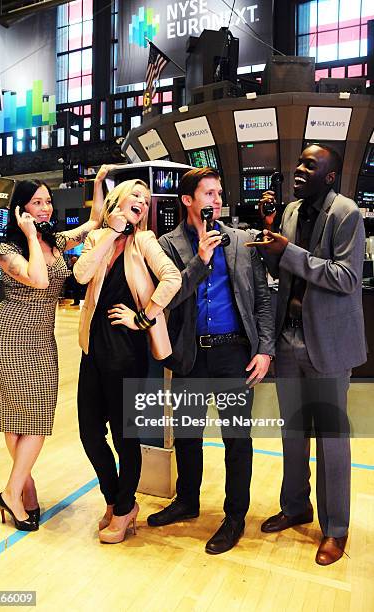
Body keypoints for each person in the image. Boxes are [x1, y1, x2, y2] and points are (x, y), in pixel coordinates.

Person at [147, 167, 275, 554]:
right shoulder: (168, 246)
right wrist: (200, 259)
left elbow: (263, 298)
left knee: (237, 439)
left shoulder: (241, 241)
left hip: (234, 353)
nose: (216, 200)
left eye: (219, 193)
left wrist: (265, 348)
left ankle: (235, 516)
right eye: (208, 193)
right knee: (187, 434)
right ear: (188, 200)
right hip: (190, 354)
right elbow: (169, 297)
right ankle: (187, 500)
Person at [256, 144, 366, 565]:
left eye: (309, 165)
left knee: (332, 440)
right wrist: (271, 251)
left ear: (331, 176)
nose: (298, 169)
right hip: (288, 340)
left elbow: (346, 277)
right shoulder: (289, 212)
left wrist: (289, 252)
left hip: (329, 344)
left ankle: (336, 528)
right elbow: (283, 272)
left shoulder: (347, 214)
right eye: (299, 162)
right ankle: (296, 505)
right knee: (293, 432)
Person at [0, 167, 110, 531]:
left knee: (35, 417)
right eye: (36, 202)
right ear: (21, 209)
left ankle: (18, 487)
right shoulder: (5, 250)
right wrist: (28, 235)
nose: (45, 208)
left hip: (42, 340)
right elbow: (39, 280)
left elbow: (93, 222)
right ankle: (19, 489)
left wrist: (98, 184)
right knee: (21, 419)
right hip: (10, 338)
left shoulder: (55, 241)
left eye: (48, 202)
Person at [74, 177, 181, 545]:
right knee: (90, 433)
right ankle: (115, 498)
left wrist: (144, 317)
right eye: (136, 195)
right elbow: (81, 274)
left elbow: (172, 278)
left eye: (146, 200)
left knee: (125, 437)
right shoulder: (97, 238)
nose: (143, 202)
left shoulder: (145, 241)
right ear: (118, 201)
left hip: (127, 352)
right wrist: (110, 233)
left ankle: (122, 509)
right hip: (92, 350)